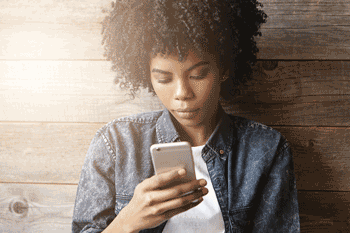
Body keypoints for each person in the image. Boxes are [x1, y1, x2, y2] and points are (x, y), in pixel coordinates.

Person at [72, 0, 300, 232]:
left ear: (225, 69)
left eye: (198, 75)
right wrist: (127, 221)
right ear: (146, 75)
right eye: (164, 79)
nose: (182, 94)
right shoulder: (116, 144)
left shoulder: (267, 149)